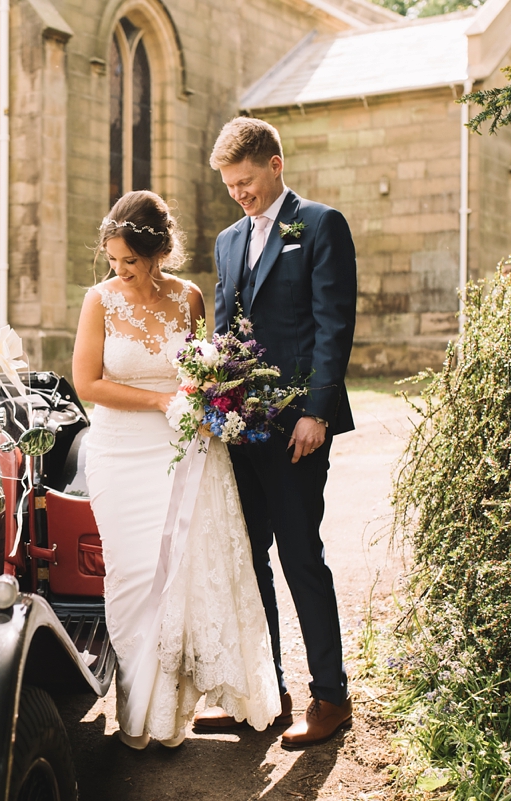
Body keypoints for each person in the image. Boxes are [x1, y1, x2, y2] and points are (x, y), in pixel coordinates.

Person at [72, 189, 282, 749]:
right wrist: (161, 401)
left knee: (183, 575)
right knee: (132, 576)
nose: (120, 271)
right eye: (113, 261)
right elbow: (86, 383)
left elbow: (198, 372)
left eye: (130, 261)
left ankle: (169, 715)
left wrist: (209, 400)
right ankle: (136, 712)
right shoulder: (100, 301)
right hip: (120, 453)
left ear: (159, 251)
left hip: (183, 452)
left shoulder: (189, 298)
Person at [206, 117, 357, 748]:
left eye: (246, 181)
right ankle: (267, 690)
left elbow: (333, 323)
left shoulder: (321, 226)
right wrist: (212, 407)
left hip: (298, 427)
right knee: (249, 561)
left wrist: (316, 412)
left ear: (276, 164)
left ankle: (331, 697)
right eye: (229, 185)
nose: (239, 193)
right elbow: (224, 333)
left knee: (300, 556)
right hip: (240, 430)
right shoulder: (226, 240)